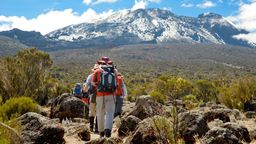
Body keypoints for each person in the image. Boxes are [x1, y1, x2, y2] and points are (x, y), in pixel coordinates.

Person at [92, 57, 118, 137]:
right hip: (111, 94)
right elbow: (116, 81)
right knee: (110, 113)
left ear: (100, 63)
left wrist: (98, 85)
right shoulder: (114, 70)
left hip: (100, 95)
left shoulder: (97, 71)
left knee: (100, 113)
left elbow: (93, 83)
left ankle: (101, 132)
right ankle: (108, 130)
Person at [84, 64, 99, 133]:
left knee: (92, 112)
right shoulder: (102, 76)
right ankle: (97, 128)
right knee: (99, 112)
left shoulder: (90, 76)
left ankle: (91, 127)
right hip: (101, 96)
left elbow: (86, 88)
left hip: (92, 95)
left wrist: (86, 91)